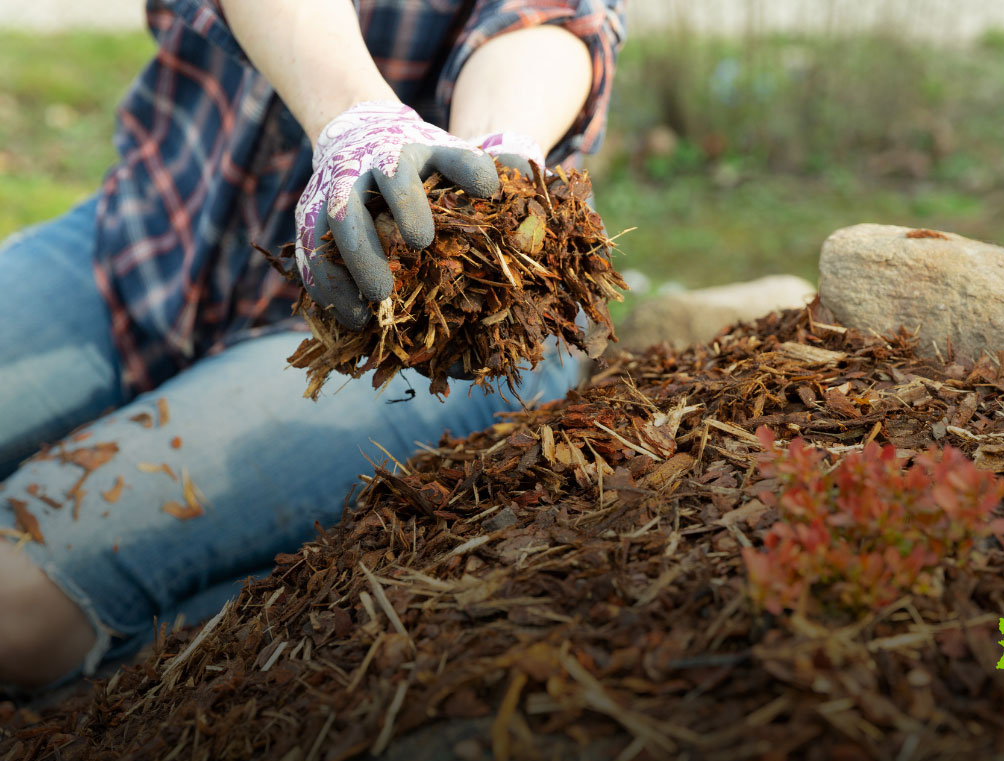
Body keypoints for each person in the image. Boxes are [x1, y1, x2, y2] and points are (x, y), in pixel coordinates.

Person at [0, 0, 625, 690]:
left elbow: (550, 18)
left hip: (391, 340)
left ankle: (247, 620)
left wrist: (493, 159)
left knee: (16, 610)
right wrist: (358, 121)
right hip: (152, 238)